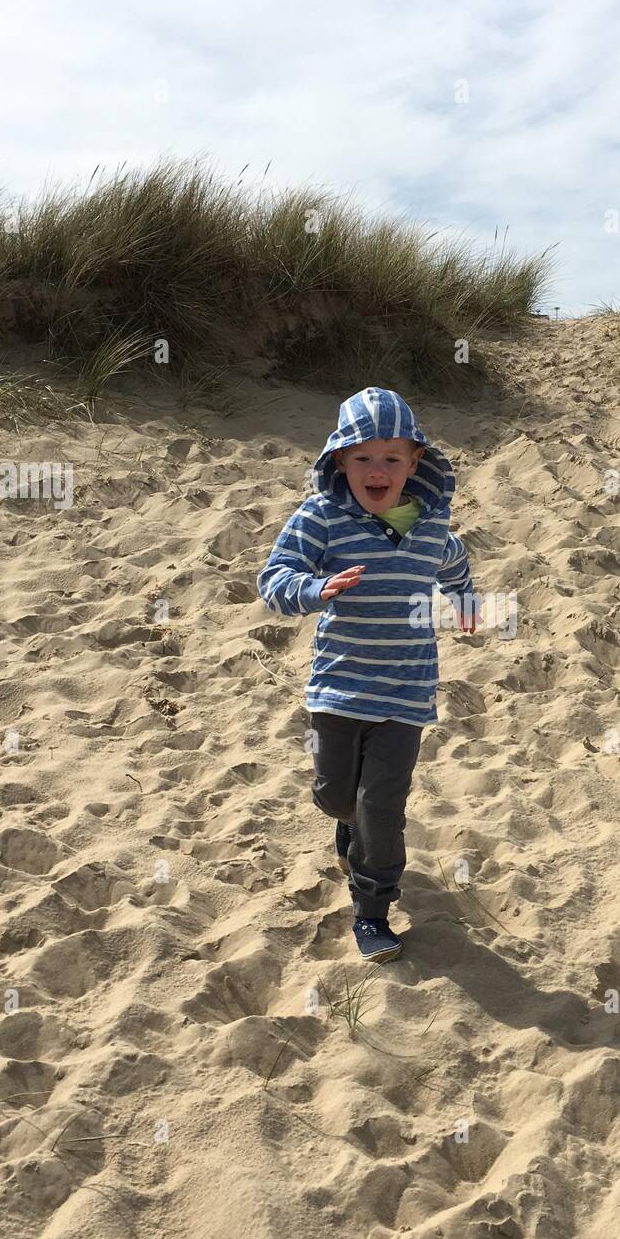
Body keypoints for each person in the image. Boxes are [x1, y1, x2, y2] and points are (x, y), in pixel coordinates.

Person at [256, 387, 476, 962]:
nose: (376, 471)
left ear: (414, 463)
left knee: (383, 804)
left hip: (405, 692)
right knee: (337, 796)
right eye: (362, 459)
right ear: (339, 462)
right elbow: (274, 577)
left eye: (391, 459)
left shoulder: (419, 521)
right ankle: (345, 824)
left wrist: (466, 599)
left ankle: (373, 910)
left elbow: (451, 558)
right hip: (339, 685)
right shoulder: (323, 517)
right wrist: (313, 588)